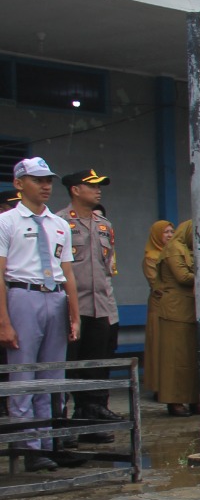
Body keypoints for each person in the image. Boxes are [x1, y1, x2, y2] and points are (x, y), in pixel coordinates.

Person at [0, 157, 82, 471]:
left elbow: (68, 272)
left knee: (52, 375)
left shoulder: (59, 224)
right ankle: (28, 446)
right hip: (23, 294)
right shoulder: (7, 222)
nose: (45, 186)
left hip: (55, 297)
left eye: (48, 180)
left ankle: (49, 442)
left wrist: (74, 314)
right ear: (19, 184)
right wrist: (4, 320)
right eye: (37, 180)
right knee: (23, 374)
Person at [57, 169, 121, 432]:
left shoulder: (105, 224)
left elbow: (108, 269)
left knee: (97, 366)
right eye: (92, 186)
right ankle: (64, 424)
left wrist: (111, 310)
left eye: (100, 186)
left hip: (100, 307)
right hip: (71, 307)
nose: (98, 190)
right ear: (75, 190)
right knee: (69, 368)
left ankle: (92, 422)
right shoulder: (58, 222)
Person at [156, 219, 200, 414]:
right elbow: (182, 277)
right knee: (175, 358)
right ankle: (174, 400)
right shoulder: (174, 248)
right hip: (175, 310)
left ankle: (191, 398)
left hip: (189, 309)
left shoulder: (188, 249)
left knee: (190, 358)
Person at [141, 219, 174, 399]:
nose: (170, 235)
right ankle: (158, 386)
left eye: (171, 231)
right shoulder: (151, 257)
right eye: (166, 232)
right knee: (158, 344)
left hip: (173, 305)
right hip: (159, 305)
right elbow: (156, 284)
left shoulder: (173, 254)